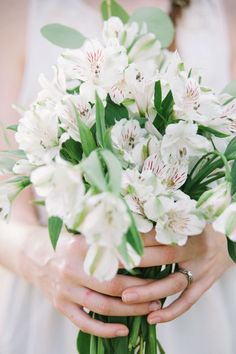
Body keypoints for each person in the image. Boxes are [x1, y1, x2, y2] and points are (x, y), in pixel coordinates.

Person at [0, 1, 234, 353]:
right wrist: (40, 258)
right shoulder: (17, 12)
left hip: (203, 303)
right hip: (59, 299)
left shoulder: (225, 11)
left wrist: (224, 244)